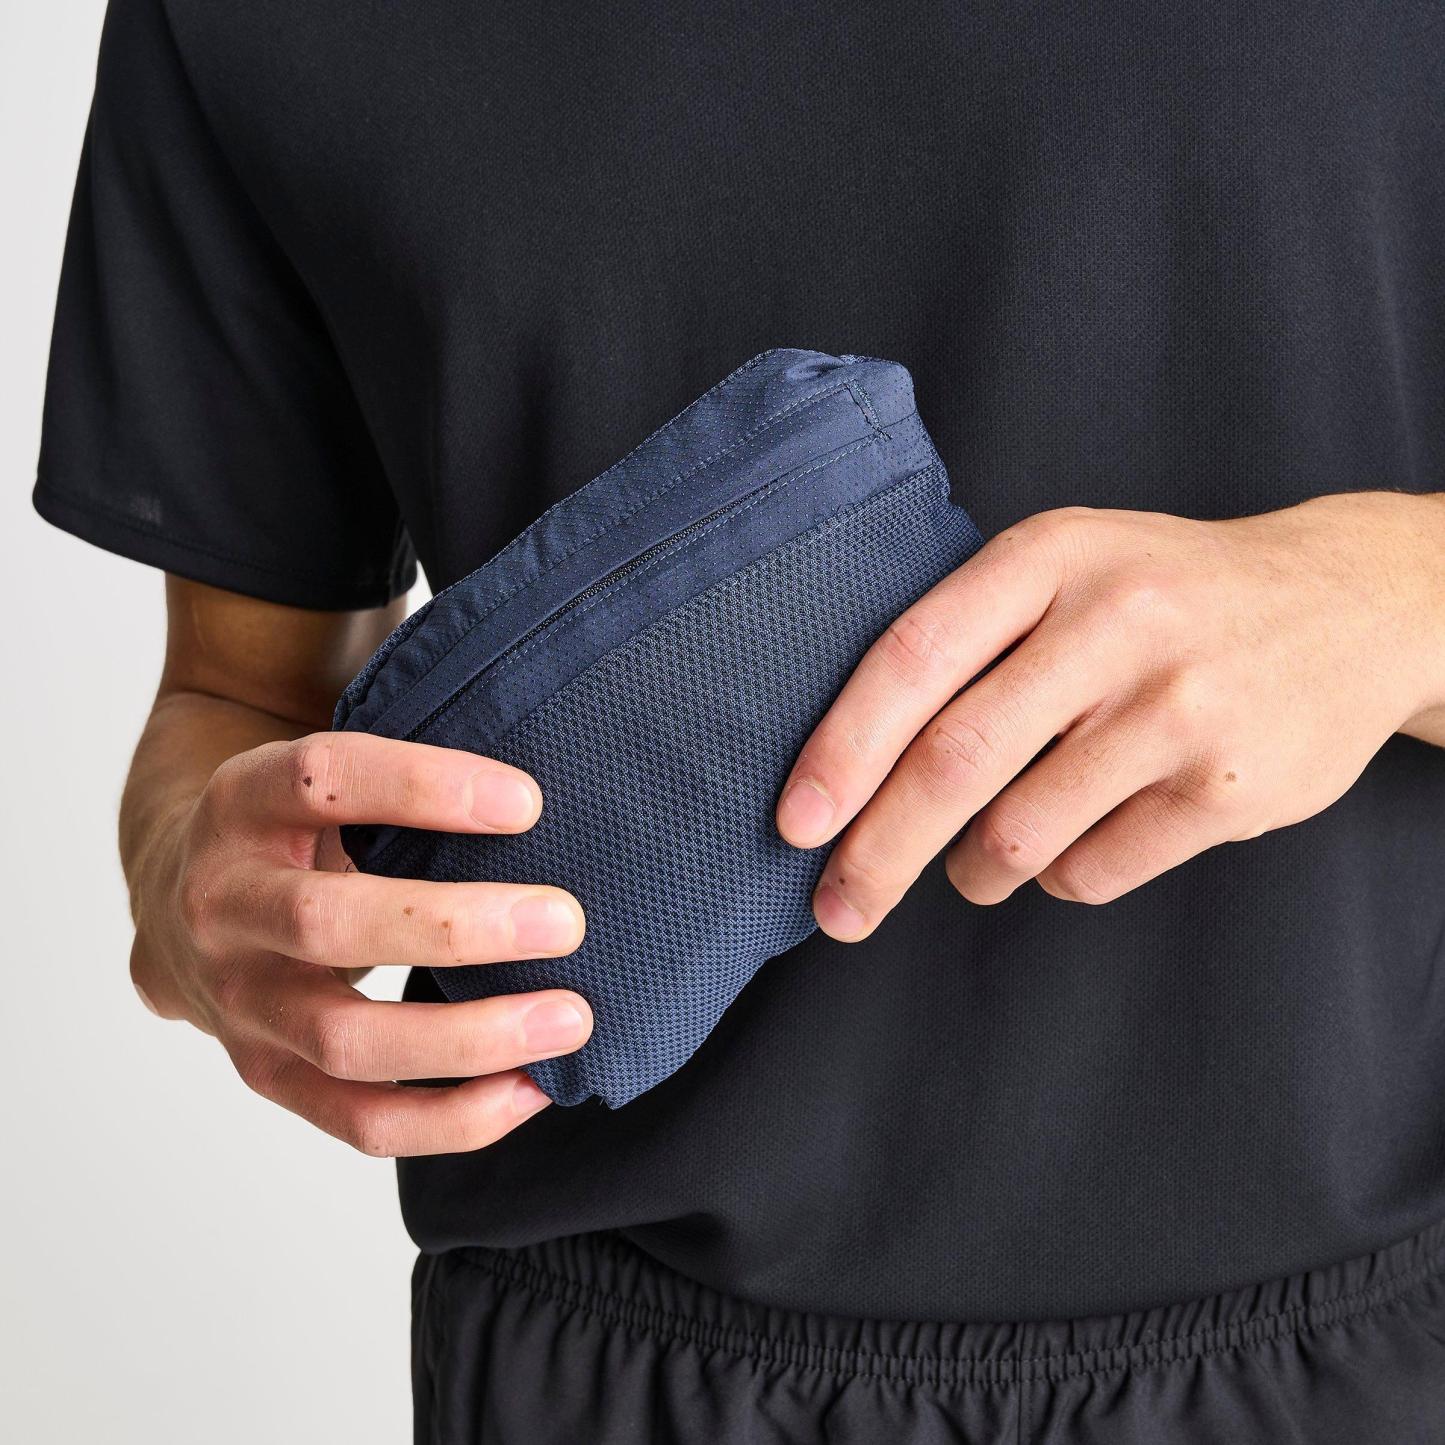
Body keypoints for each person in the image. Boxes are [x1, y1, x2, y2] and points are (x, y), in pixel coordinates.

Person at [35, 1, 1445, 1440]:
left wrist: (1396, 602)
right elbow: (231, 697)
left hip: (1368, 1343)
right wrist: (198, 887)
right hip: (609, 1363)